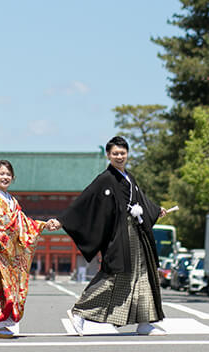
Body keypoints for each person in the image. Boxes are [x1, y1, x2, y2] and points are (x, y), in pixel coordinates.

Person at [60, 136, 172, 336]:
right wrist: (62, 220)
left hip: (137, 233)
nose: (119, 156)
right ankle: (79, 312)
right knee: (114, 274)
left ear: (127, 154)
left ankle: (145, 322)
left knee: (144, 275)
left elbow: (141, 200)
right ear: (108, 155)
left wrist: (155, 210)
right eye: (115, 153)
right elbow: (86, 200)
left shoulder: (129, 177)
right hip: (120, 235)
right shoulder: (105, 178)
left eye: (122, 153)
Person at [0, 159, 61, 338]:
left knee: (7, 288)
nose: (5, 177)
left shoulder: (12, 201)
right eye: (2, 174)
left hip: (8, 253)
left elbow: (23, 223)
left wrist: (43, 225)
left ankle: (0, 323)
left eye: (8, 174)